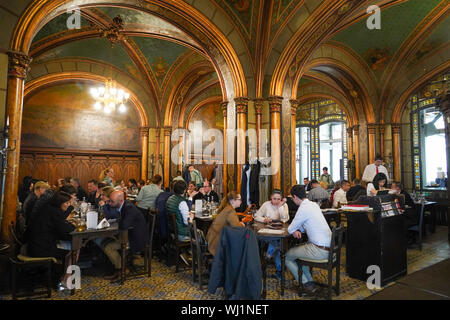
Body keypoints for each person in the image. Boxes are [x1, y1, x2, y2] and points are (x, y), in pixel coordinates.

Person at [285, 185, 331, 293]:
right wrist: (298, 230)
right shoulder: (313, 205)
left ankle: (306, 284)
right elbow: (305, 224)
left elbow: (291, 228)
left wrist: (295, 230)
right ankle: (309, 281)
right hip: (330, 249)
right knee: (298, 253)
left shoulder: (303, 208)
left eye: (292, 198)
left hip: (320, 250)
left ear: (295, 197)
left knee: (287, 256)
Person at [27, 191, 76, 285]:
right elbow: (65, 232)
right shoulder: (54, 212)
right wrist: (73, 227)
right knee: (74, 249)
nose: (68, 205)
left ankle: (63, 276)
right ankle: (66, 278)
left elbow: (60, 228)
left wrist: (68, 225)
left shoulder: (48, 208)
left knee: (69, 245)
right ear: (59, 203)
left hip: (34, 244)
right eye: (66, 203)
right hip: (40, 248)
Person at [103, 191, 148, 282]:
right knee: (105, 242)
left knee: (108, 247)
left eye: (112, 201)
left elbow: (124, 225)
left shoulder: (129, 208)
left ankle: (122, 270)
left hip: (136, 239)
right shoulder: (123, 205)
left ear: (121, 200)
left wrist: (117, 220)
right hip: (130, 234)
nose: (110, 203)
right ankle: (119, 269)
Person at [254, 189, 289, 280]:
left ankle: (268, 256)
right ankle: (279, 271)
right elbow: (256, 216)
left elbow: (284, 219)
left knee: (277, 244)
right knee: (277, 245)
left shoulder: (284, 205)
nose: (276, 201)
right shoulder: (266, 204)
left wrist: (281, 207)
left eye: (278, 199)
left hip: (279, 231)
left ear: (281, 199)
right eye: (274, 199)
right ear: (271, 198)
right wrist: (263, 220)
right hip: (267, 231)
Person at [206, 191, 244, 256]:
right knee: (246, 239)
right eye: (239, 199)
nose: (241, 201)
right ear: (232, 201)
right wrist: (242, 224)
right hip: (217, 244)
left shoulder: (226, 208)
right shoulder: (230, 211)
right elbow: (237, 228)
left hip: (213, 240)